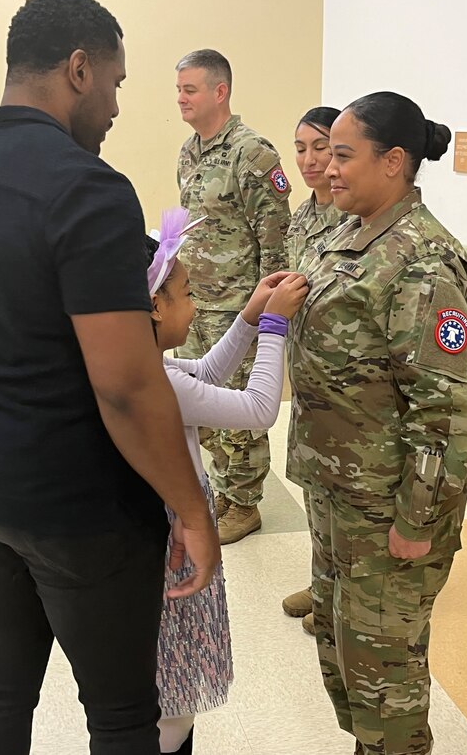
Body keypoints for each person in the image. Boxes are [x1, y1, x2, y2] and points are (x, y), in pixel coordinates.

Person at [0, 0, 219, 755]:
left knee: (0, 680)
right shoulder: (85, 188)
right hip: (77, 511)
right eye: (117, 83)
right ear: (77, 69)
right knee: (124, 714)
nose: (116, 105)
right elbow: (128, 388)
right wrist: (192, 514)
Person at [286, 92, 467, 755]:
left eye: (342, 155)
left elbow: (445, 416)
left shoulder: (423, 265)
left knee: (383, 679)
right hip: (337, 493)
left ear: (393, 161)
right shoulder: (348, 231)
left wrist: (414, 523)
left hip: (386, 509)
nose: (327, 169)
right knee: (344, 659)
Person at [147, 210, 308, 753]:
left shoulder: (150, 371)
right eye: (186, 293)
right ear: (154, 306)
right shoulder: (162, 386)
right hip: (176, 538)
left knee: (168, 681)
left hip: (166, 534)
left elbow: (207, 375)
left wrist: (247, 316)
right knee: (171, 690)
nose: (194, 305)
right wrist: (275, 325)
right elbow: (262, 408)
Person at [175, 48, 292, 544]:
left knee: (239, 409)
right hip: (193, 304)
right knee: (203, 407)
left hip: (237, 308)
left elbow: (276, 240)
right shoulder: (189, 151)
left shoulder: (252, 153)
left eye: (189, 89)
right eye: (178, 89)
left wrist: (265, 311)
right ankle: (221, 488)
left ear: (219, 92)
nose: (180, 98)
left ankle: (245, 504)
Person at [281, 105, 345, 637]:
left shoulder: (356, 218)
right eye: (300, 147)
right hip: (308, 377)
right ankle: (322, 581)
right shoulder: (302, 217)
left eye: (320, 146)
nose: (308, 159)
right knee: (314, 485)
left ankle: (341, 593)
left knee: (343, 494)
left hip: (346, 385)